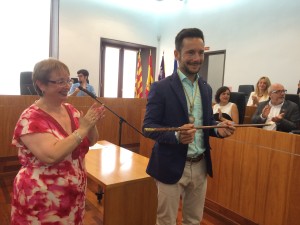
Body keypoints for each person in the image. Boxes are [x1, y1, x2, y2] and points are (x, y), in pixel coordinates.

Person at [143, 28, 235, 225]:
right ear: (177, 54)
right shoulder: (161, 87)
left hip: (201, 164)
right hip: (171, 164)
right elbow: (148, 127)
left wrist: (218, 129)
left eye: (201, 53)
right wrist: (177, 136)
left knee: (193, 220)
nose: (197, 58)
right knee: (166, 221)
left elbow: (207, 122)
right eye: (190, 52)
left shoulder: (206, 87)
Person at [11, 58, 105, 224]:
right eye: (60, 81)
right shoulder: (30, 118)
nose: (68, 86)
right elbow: (52, 155)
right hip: (42, 199)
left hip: (73, 196)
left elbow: (91, 142)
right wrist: (82, 129)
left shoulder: (71, 109)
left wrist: (91, 125)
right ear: (41, 85)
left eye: (68, 80)